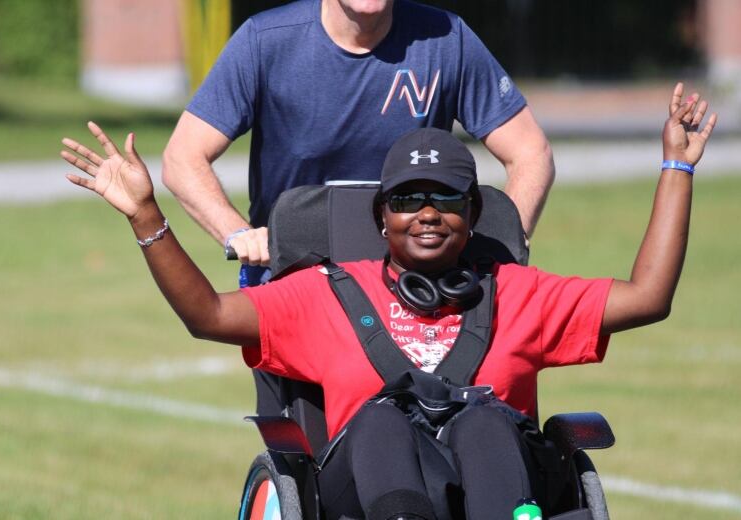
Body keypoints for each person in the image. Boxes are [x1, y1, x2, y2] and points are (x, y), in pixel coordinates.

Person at [61, 84, 715, 519]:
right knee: (379, 421)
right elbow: (208, 316)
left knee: (488, 419)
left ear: (473, 214)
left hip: (495, 485)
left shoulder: (516, 291)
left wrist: (676, 169)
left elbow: (648, 298)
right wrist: (147, 215)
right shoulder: (327, 294)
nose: (426, 214)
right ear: (381, 218)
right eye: (407, 199)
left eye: (447, 199)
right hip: (366, 493)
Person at [162, 0, 554, 287]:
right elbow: (183, 157)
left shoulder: (447, 40)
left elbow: (530, 153)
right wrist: (238, 234)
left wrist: (499, 245)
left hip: (415, 284)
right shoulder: (264, 42)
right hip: (296, 281)